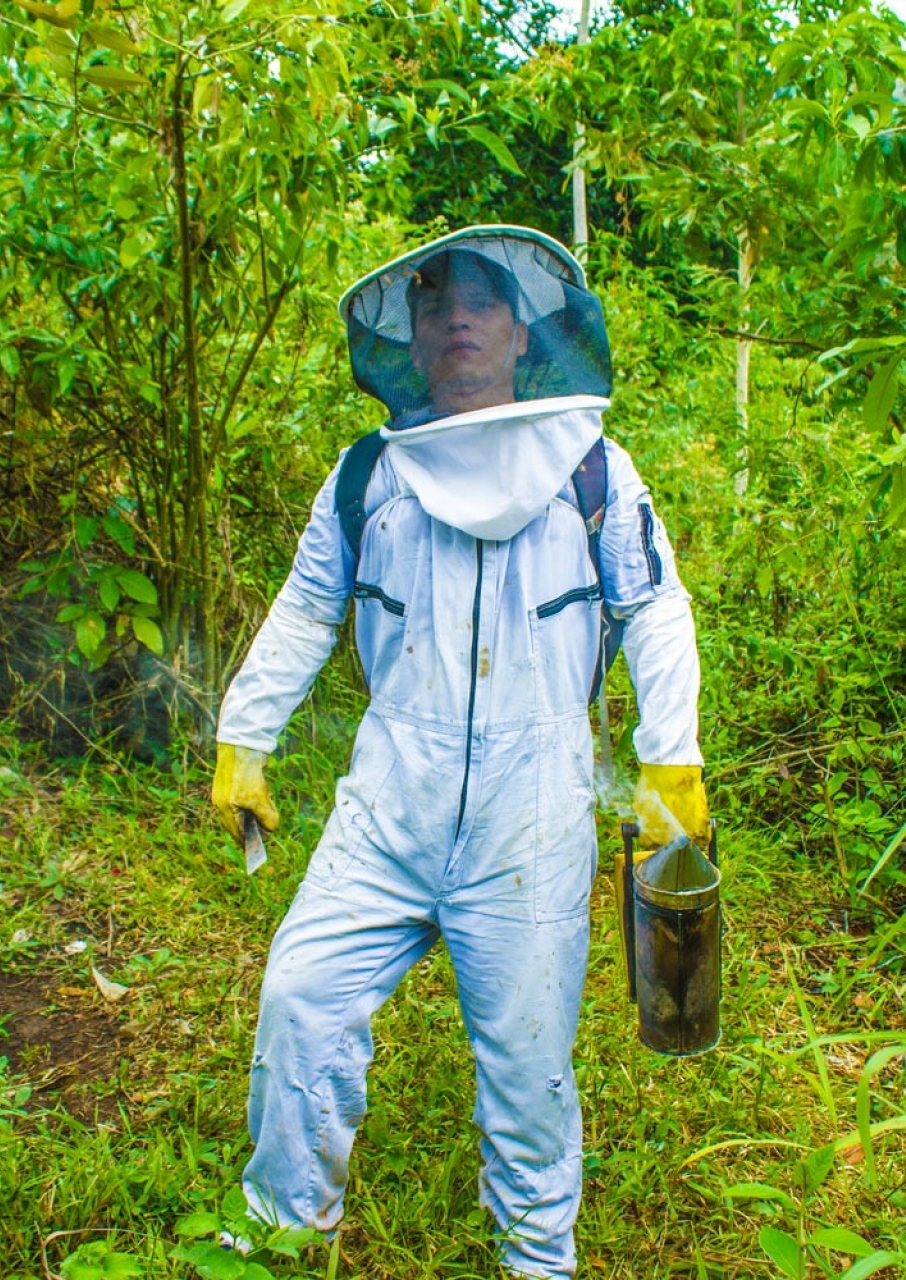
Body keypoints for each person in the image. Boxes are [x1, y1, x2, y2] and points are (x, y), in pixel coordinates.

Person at [210, 226, 707, 1277]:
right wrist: (245, 734)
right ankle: (281, 1232)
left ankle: (537, 1258)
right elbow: (307, 604)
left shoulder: (591, 468)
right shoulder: (369, 475)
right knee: (301, 997)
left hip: (534, 812)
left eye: (482, 302)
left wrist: (672, 757)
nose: (458, 320)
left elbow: (655, 607)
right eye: (436, 304)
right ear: (410, 336)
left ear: (524, 333)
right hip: (390, 797)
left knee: (530, 1070)